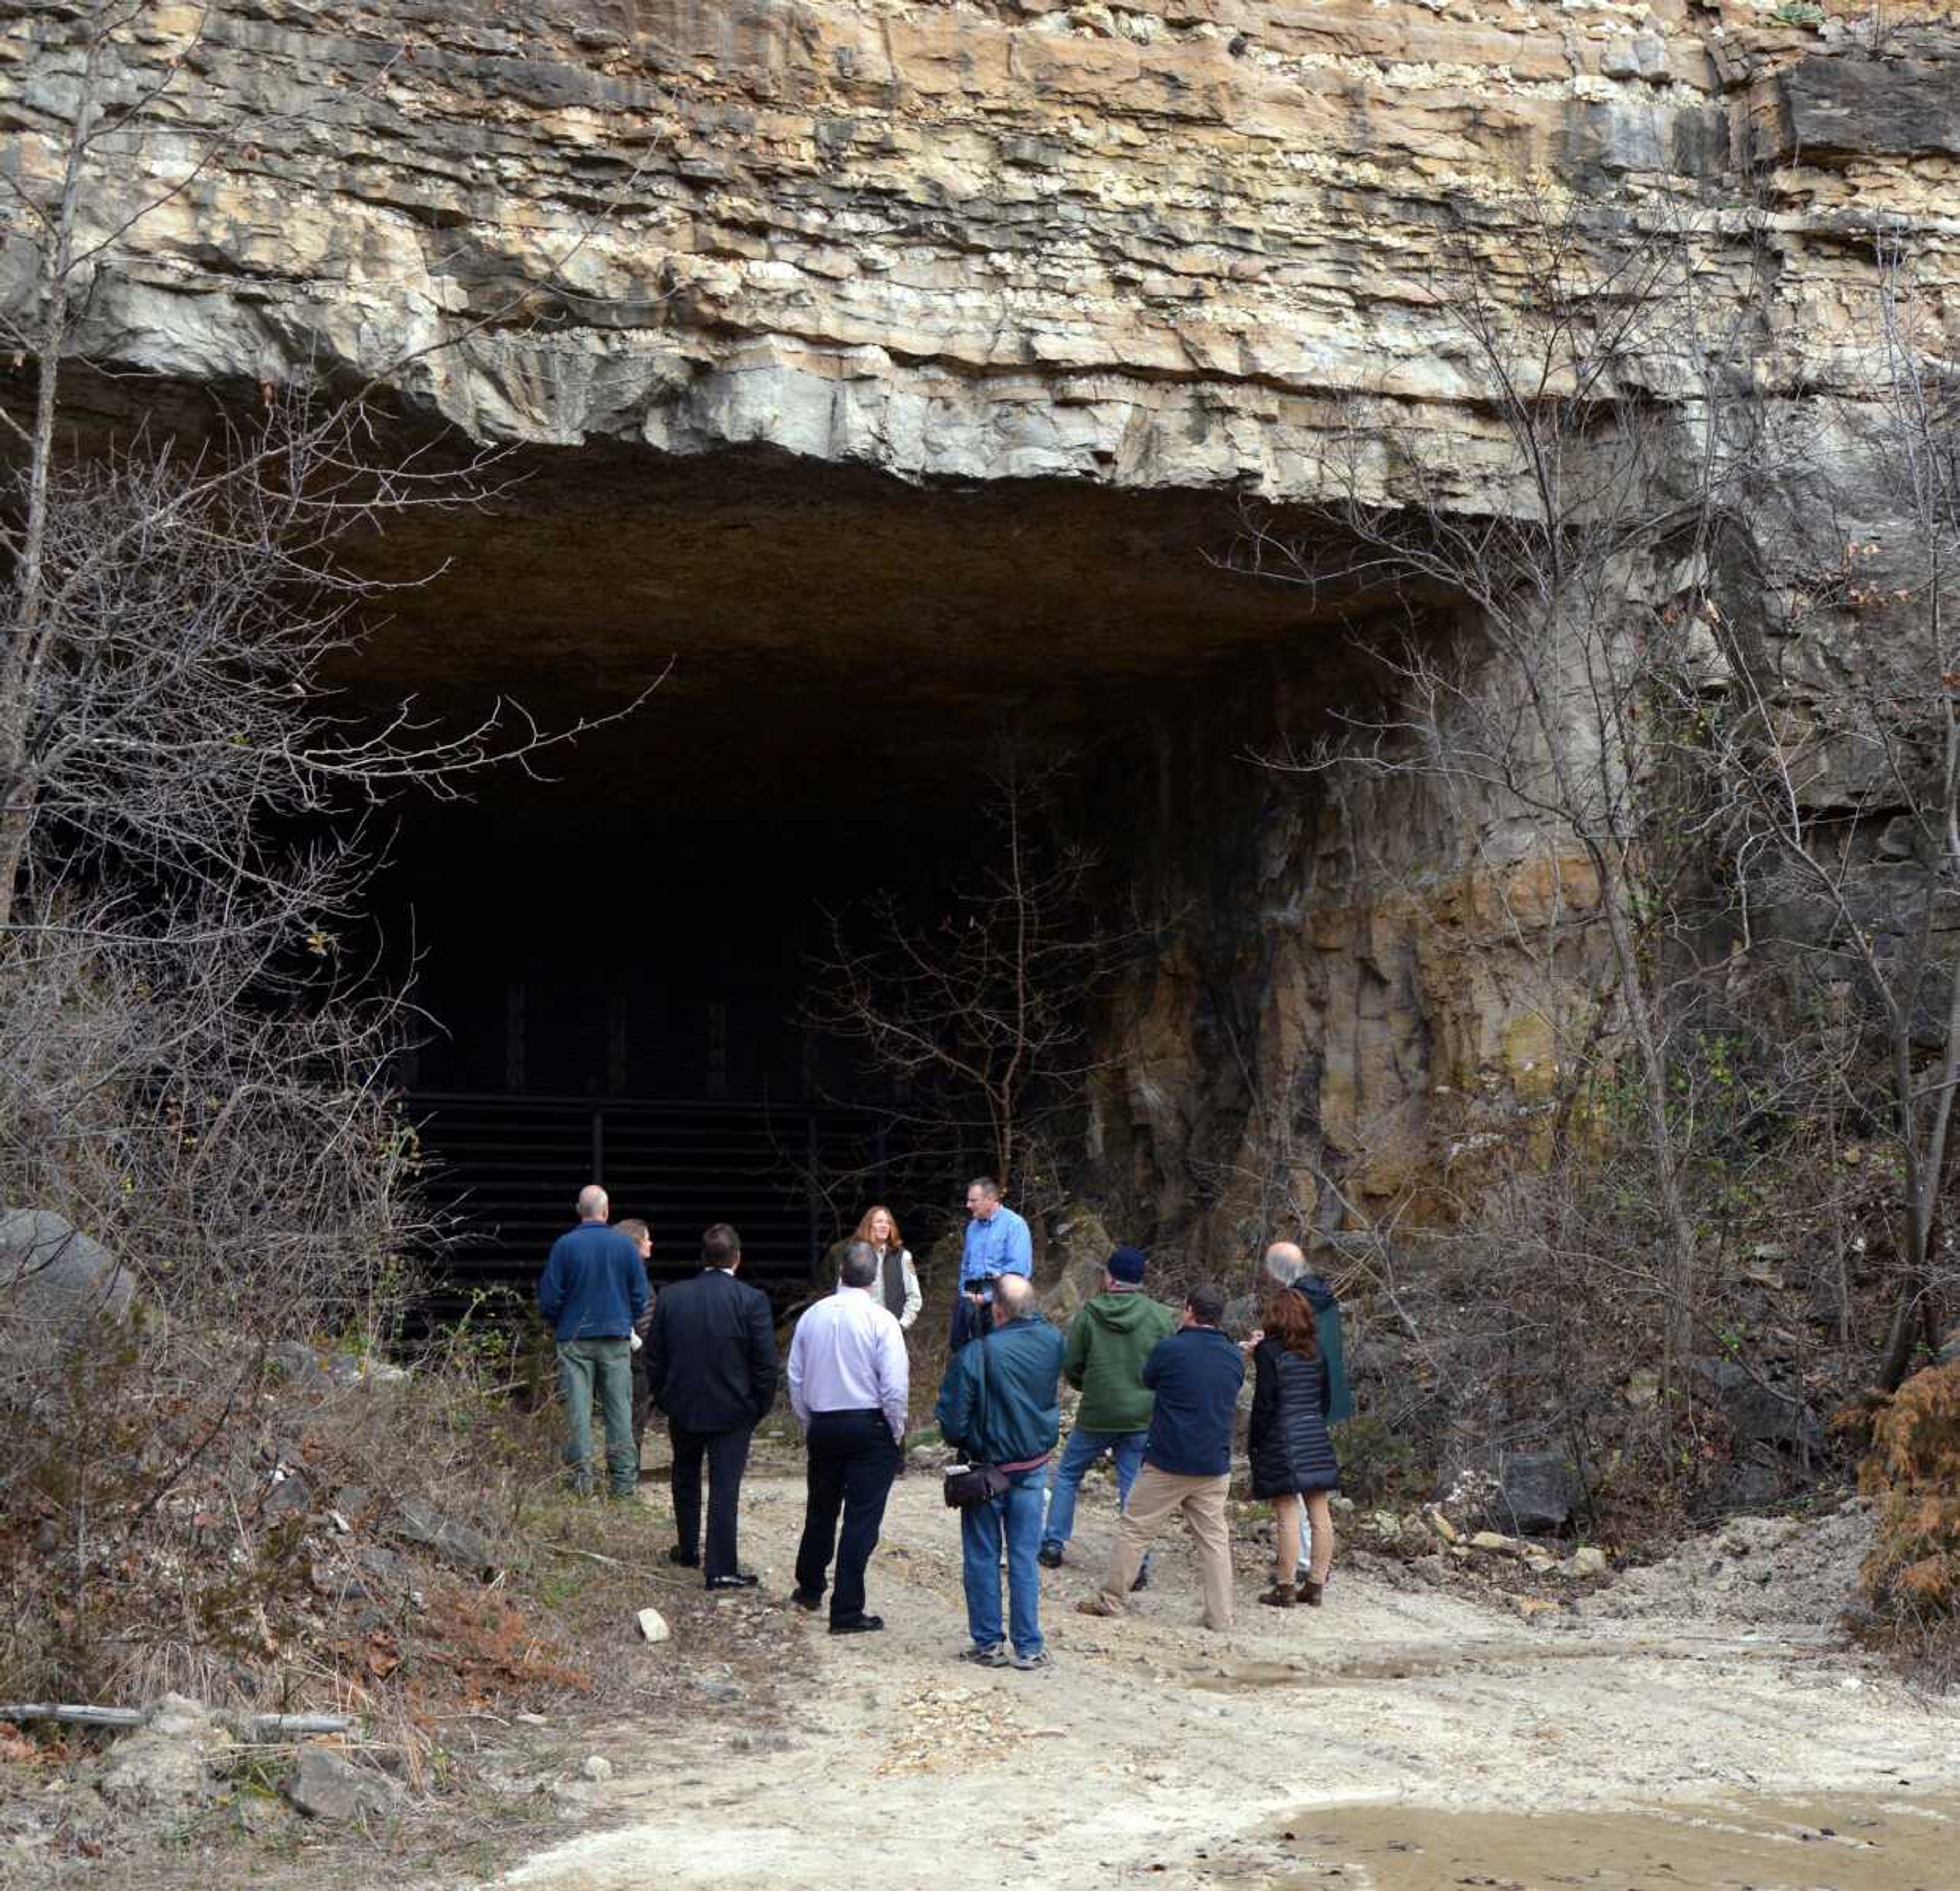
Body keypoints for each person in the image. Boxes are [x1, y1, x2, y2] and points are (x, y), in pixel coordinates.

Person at [1077, 1283, 1244, 1632]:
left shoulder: (1171, 1349)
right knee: (1214, 1542)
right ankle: (1221, 1616)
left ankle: (1112, 1600)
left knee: (1135, 1529)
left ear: (1189, 1310)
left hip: (1169, 1461)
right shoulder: (1233, 1356)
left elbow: (1149, 1379)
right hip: (1214, 1463)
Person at [934, 1273, 1064, 1671]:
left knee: (982, 1555)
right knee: (1024, 1557)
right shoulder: (1053, 1342)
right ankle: (1029, 1647)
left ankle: (989, 1644)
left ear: (998, 1310)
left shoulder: (977, 1353)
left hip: (988, 1469)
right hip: (1033, 1465)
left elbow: (952, 1424)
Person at [645, 1223, 779, 1589]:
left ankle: (689, 1548)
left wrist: (666, 1397)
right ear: (737, 1258)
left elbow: (654, 1357)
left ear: (703, 1258)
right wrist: (758, 1408)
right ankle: (720, 1567)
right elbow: (767, 1364)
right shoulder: (751, 1300)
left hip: (684, 1404)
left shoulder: (672, 1297)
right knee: (725, 1486)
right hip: (735, 1409)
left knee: (685, 1475)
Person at [786, 1240, 910, 1636]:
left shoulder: (812, 1317)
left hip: (824, 1421)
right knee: (861, 1519)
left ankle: (809, 1587)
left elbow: (795, 1377)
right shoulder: (882, 1321)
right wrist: (896, 1428)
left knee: (821, 1507)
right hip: (868, 1424)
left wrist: (810, 1420)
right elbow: (894, 1386)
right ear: (874, 1278)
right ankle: (846, 1609)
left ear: (841, 1271)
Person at [1038, 1245, 1175, 1582]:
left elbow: (1072, 1365)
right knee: (1132, 1485)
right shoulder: (1160, 1316)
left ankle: (1054, 1544)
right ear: (1141, 1280)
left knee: (1069, 1474)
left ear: (1108, 1277)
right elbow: (1169, 1363)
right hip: (1141, 1415)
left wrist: (1090, 1386)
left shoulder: (1090, 1313)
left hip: (1098, 1412)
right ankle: (1138, 1563)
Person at [537, 1185, 650, 1500]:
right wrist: (624, 1318)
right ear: (607, 1210)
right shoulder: (625, 1247)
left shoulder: (564, 1247)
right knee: (619, 1411)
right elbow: (640, 1296)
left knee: (577, 1412)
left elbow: (550, 1297)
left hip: (574, 1339)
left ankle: (580, 1484)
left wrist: (561, 1321)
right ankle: (624, 1486)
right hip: (615, 1339)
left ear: (578, 1210)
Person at [1261, 1242, 1353, 1580]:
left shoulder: (1298, 1302)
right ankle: (1317, 1572)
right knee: (1317, 1498)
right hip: (1319, 1403)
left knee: (1292, 1496)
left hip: (1293, 1404)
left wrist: (1265, 1347)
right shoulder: (1326, 1298)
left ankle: (1297, 1567)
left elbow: (1290, 1349)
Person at [1248, 1285, 1339, 1607]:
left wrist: (1255, 1443)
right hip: (1315, 1437)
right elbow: (1326, 1400)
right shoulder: (1318, 1350)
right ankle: (1316, 1585)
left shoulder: (1268, 1352)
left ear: (1274, 1317)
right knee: (1320, 1513)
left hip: (1280, 1440)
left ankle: (1285, 1587)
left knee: (1287, 1513)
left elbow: (1264, 1404)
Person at [952, 1176, 1033, 1351]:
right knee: (965, 1358)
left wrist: (985, 1296)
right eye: (968, 1200)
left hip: (1001, 1309)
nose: (968, 1205)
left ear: (990, 1200)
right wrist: (966, 1294)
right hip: (970, 1304)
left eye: (974, 1201)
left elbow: (1016, 1275)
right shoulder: (972, 1227)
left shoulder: (1015, 1225)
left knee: (996, 1363)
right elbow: (966, 1268)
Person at [618, 1217, 658, 1465]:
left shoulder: (629, 1274)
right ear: (635, 1244)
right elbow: (638, 1320)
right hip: (636, 1359)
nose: (651, 1243)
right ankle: (626, 1473)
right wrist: (643, 1348)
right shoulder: (632, 1277)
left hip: (637, 1355)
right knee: (634, 1417)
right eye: (647, 1238)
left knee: (632, 1416)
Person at [854, 1205, 922, 1330]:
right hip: (861, 1330)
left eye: (888, 1223)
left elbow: (915, 1298)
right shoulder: (855, 1256)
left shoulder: (903, 1256)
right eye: (879, 1222)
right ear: (868, 1226)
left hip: (891, 1331)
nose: (885, 1226)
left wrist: (901, 1326)